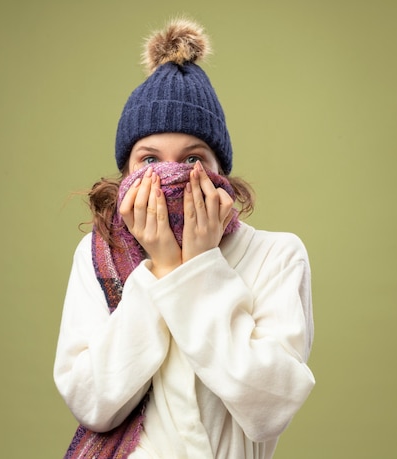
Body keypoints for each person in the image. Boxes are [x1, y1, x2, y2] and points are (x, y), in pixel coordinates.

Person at [54, 17, 315, 459]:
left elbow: (269, 409)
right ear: (125, 174)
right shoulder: (99, 256)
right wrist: (161, 269)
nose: (168, 175)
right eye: (149, 159)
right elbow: (93, 402)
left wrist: (197, 269)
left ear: (219, 173)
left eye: (192, 158)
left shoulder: (277, 255)